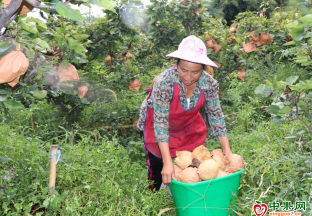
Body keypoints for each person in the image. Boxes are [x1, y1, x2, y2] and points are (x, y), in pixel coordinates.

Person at [136, 35, 232, 192]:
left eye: (195, 72)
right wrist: (167, 163)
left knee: (193, 163)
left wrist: (227, 151)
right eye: (183, 70)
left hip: (188, 125)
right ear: (177, 65)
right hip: (158, 124)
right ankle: (155, 197)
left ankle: (189, 196)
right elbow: (161, 124)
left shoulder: (209, 84)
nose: (188, 77)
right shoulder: (164, 82)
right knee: (160, 167)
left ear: (203, 68)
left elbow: (216, 116)